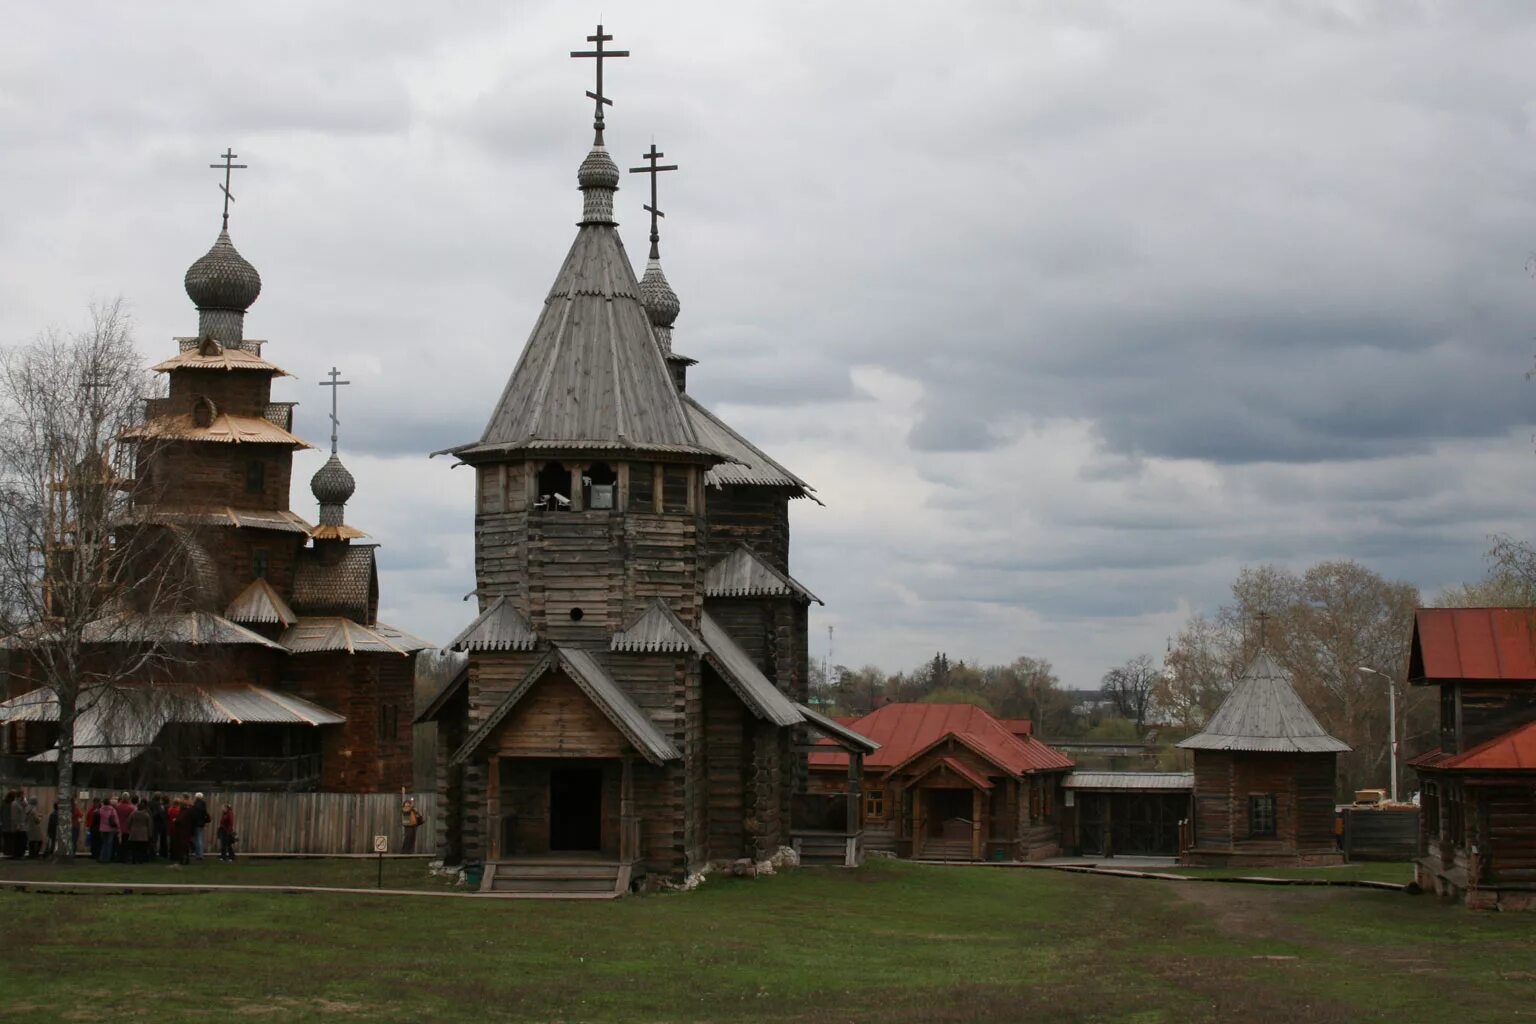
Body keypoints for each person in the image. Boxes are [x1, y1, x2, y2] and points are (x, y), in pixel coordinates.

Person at [96, 798, 119, 864]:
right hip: (110, 829)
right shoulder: (112, 810)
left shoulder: (101, 810)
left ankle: (101, 857)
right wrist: (117, 827)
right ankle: (107, 858)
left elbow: (96, 814)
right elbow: (116, 819)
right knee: (109, 844)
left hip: (102, 828)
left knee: (104, 843)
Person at [190, 792, 210, 861]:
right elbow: (205, 813)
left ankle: (198, 855)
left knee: (197, 839)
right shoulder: (203, 804)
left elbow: (193, 814)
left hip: (195, 823)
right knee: (200, 838)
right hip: (201, 823)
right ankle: (200, 854)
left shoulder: (195, 804)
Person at [151, 793, 169, 860]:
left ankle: (153, 853)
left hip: (153, 823)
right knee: (160, 839)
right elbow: (160, 813)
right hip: (159, 823)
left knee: (154, 839)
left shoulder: (150, 803)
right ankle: (162, 853)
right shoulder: (160, 805)